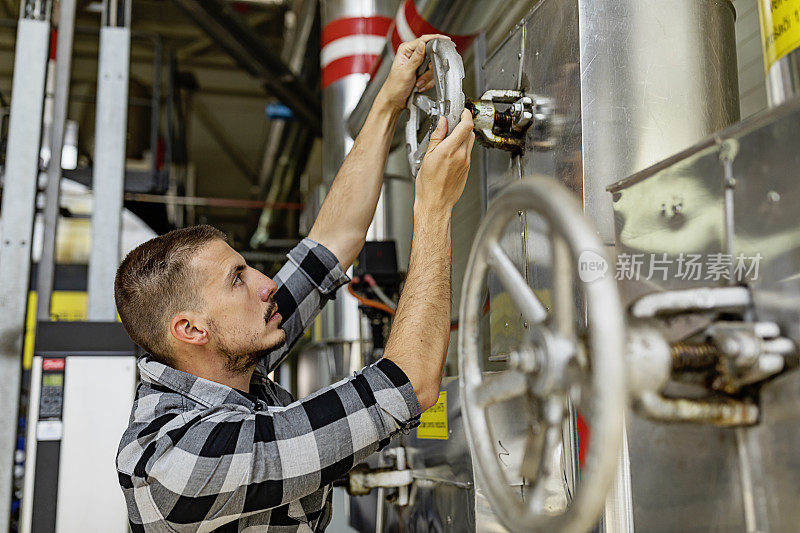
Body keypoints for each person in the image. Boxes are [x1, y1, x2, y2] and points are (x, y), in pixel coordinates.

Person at [115, 34, 474, 532]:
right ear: (190, 329)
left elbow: (331, 243)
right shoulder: (183, 462)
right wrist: (434, 210)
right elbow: (409, 384)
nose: (267, 284)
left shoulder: (223, 362)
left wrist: (389, 102)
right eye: (237, 280)